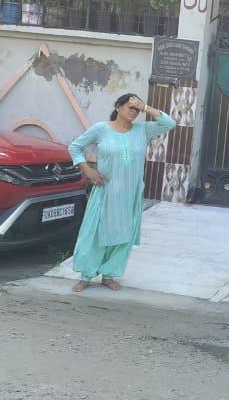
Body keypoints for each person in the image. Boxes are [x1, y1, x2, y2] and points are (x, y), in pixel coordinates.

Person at [67, 93, 175, 293]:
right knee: (95, 233)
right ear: (118, 107)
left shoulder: (142, 130)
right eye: (130, 107)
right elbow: (75, 147)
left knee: (122, 235)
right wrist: (87, 169)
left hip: (129, 195)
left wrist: (145, 107)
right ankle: (86, 276)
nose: (134, 111)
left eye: (136, 109)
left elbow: (169, 123)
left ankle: (109, 275)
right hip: (105, 191)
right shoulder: (101, 129)